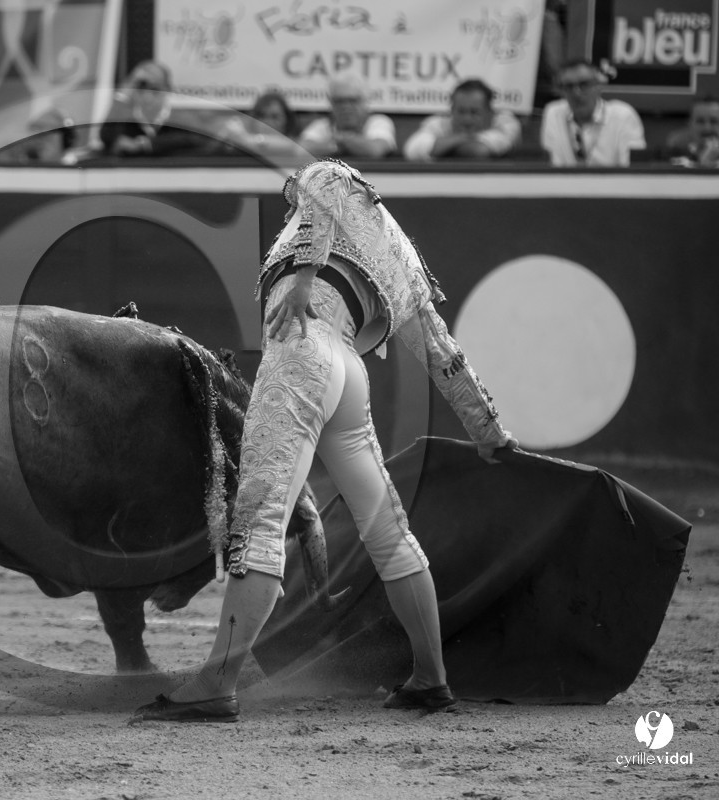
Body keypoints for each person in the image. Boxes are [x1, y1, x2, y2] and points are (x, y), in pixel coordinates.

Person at [131, 158, 517, 723]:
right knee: (389, 532)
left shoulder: (327, 179)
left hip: (300, 354)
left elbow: (324, 188)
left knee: (260, 518)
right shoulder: (403, 259)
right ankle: (430, 677)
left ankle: (217, 683)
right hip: (348, 375)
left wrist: (307, 275)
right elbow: (441, 350)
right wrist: (488, 430)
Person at [540, 59, 645, 167]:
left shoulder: (622, 116)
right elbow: (552, 168)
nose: (576, 93)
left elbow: (634, 171)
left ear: (598, 86)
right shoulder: (554, 113)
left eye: (584, 85)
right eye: (569, 86)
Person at [99, 61, 204, 157]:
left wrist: (145, 145)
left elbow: (195, 139)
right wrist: (122, 95)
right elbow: (107, 138)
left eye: (155, 89)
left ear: (167, 89)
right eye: (141, 88)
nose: (147, 95)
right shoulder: (126, 120)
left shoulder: (180, 119)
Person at [403, 79, 521, 161]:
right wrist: (465, 137)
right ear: (452, 110)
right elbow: (412, 150)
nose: (467, 119)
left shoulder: (506, 123)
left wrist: (443, 145)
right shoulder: (438, 123)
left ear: (489, 113)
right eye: (461, 111)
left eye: (474, 112)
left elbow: (479, 152)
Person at [298, 74, 396, 160]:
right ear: (331, 103)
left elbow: (375, 150)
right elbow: (301, 149)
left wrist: (341, 140)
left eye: (352, 100)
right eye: (339, 101)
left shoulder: (378, 122)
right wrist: (340, 146)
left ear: (365, 101)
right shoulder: (321, 125)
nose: (346, 107)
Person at [220, 91, 305, 158]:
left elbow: (290, 147)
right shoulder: (243, 143)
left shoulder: (294, 145)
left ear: (287, 120)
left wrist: (241, 136)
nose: (267, 122)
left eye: (275, 117)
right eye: (262, 116)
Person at [663, 96, 719, 168]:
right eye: (700, 121)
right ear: (689, 124)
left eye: (714, 121)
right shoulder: (676, 149)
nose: (707, 128)